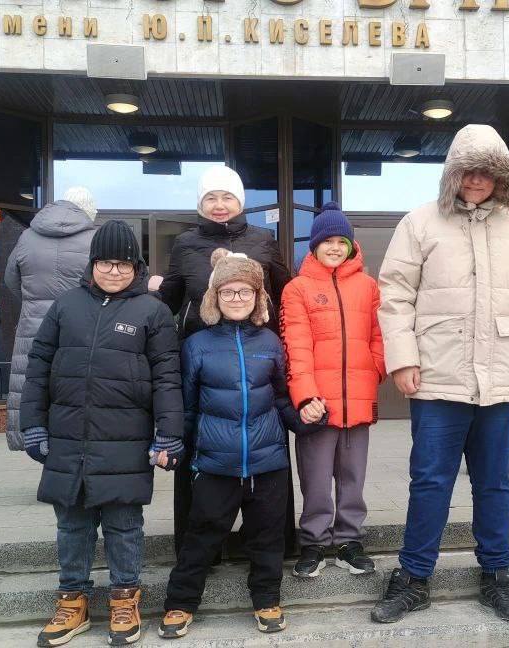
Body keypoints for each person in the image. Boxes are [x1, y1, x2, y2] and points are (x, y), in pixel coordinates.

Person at [373, 124, 509, 625]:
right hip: (439, 377)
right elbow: (394, 294)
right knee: (429, 482)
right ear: (452, 174)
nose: (476, 180)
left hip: (501, 378)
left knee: (495, 482)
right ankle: (414, 577)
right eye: (467, 171)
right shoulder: (420, 222)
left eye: (487, 172)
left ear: (502, 177)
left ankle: (497, 574)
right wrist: (403, 358)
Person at [20, 220, 183, 647]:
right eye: (106, 263)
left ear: (137, 267)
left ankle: (125, 599)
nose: (115, 271)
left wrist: (169, 434)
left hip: (125, 439)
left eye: (124, 264)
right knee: (71, 525)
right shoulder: (66, 306)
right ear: (92, 264)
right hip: (68, 436)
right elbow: (37, 368)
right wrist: (32, 424)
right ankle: (72, 601)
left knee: (124, 525)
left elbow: (168, 378)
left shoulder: (152, 312)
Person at [158, 249, 308, 639]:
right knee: (201, 536)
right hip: (215, 463)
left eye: (245, 291)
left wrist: (304, 419)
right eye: (228, 291)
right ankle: (180, 603)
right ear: (215, 297)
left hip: (267, 462)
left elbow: (280, 398)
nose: (237, 298)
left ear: (258, 297)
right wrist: (174, 445)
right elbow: (187, 406)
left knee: (267, 538)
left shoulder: (271, 342)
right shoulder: (197, 345)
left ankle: (267, 600)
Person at [147, 165, 295, 559]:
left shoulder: (263, 240)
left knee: (266, 449)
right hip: (203, 360)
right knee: (198, 450)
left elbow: (287, 294)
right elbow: (170, 299)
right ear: (200, 204)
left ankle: (269, 546)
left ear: (240, 201)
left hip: (257, 360)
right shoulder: (186, 243)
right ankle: (199, 549)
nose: (219, 204)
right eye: (210, 197)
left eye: (227, 196)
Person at [279, 202, 385, 579]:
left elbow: (379, 337)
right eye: (328, 241)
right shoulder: (297, 289)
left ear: (352, 245)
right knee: (316, 479)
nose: (335, 247)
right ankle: (314, 542)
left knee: (353, 477)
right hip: (318, 406)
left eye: (342, 241)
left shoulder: (369, 287)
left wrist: (374, 371)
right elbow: (295, 347)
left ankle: (348, 541)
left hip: (358, 400)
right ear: (314, 245)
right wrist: (305, 397)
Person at [4, 187, 98, 451]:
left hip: (33, 324)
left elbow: (11, 279)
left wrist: (33, 302)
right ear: (88, 210)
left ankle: (34, 441)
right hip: (80, 326)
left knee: (32, 384)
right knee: (76, 389)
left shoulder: (27, 236)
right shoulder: (94, 238)